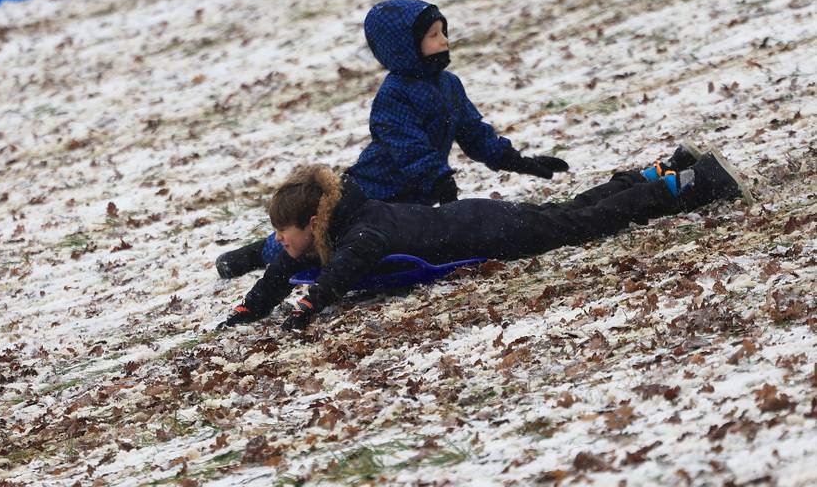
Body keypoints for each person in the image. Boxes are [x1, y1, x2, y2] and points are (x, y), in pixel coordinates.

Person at [218, 144, 751, 331]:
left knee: (579, 225)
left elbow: (344, 268)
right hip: (480, 220)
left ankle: (693, 186)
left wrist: (312, 304)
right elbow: (284, 267)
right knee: (570, 214)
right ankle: (658, 172)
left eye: (283, 234)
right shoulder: (328, 229)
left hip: (491, 230)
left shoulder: (362, 230)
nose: (279, 244)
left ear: (312, 224)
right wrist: (252, 308)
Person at [216, 0, 568, 278]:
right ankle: (257, 253)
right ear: (404, 46)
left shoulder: (449, 85)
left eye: (443, 31)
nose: (444, 40)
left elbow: (474, 132)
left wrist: (520, 161)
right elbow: (408, 147)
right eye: (433, 35)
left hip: (414, 194)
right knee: (323, 242)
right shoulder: (394, 94)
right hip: (374, 186)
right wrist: (440, 179)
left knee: (394, 240)